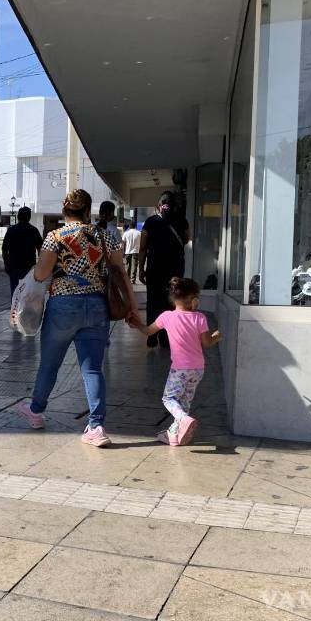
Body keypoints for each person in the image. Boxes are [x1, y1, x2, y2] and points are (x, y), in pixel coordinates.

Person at [15, 189, 139, 448]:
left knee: (49, 365)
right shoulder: (105, 236)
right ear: (87, 210)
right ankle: (96, 426)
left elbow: (40, 274)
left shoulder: (55, 237)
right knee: (92, 368)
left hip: (62, 307)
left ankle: (36, 411)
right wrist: (133, 306)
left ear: (64, 210)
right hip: (97, 306)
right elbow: (121, 272)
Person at [129, 277, 221, 446]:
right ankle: (175, 434)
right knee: (185, 401)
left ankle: (182, 420)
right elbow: (207, 343)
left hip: (180, 369)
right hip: (198, 369)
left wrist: (137, 324)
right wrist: (216, 336)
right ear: (194, 300)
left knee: (169, 399)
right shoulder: (200, 318)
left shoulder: (167, 317)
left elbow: (149, 331)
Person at [138, 191, 190, 348]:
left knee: (153, 301)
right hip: (175, 269)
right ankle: (167, 338)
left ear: (159, 206)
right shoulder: (182, 221)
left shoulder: (151, 222)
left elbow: (142, 248)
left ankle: (152, 335)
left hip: (155, 269)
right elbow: (187, 239)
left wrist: (141, 268)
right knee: (172, 302)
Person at [2, 206, 44, 295]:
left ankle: (15, 308)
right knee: (28, 292)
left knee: (15, 292)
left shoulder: (11, 230)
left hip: (14, 266)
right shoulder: (33, 230)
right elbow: (40, 249)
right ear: (29, 217)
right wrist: (40, 265)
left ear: (18, 217)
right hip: (29, 267)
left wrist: (7, 264)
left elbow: (4, 249)